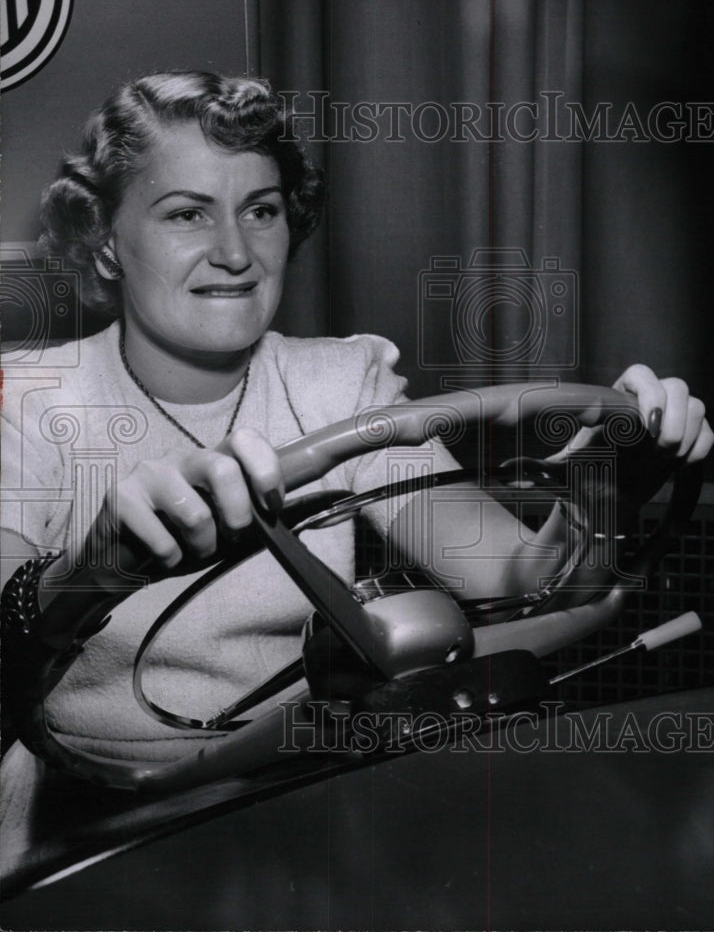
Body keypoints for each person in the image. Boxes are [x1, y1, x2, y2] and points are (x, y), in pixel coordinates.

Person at [1, 70, 711, 783]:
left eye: (261, 210)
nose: (236, 252)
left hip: (282, 791)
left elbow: (519, 575)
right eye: (186, 214)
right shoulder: (33, 401)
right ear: (102, 241)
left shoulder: (340, 386)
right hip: (86, 812)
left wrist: (606, 482)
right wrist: (92, 563)